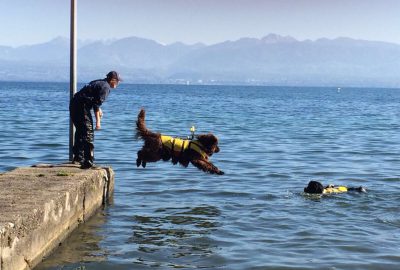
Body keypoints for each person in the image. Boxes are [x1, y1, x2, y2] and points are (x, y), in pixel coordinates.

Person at [70, 71, 122, 168]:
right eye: (117, 81)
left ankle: (78, 157)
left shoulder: (99, 82)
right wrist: (98, 122)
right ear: (113, 80)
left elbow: (93, 100)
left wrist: (98, 108)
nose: (118, 83)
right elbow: (96, 105)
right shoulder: (106, 87)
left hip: (74, 104)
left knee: (81, 131)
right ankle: (88, 161)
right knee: (88, 133)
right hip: (81, 107)